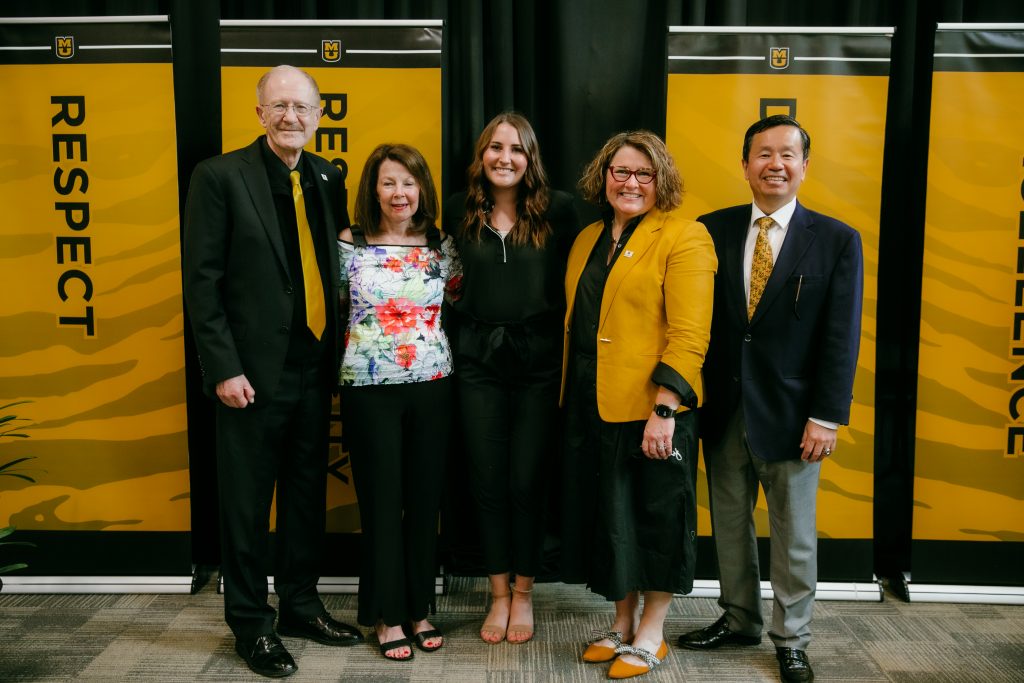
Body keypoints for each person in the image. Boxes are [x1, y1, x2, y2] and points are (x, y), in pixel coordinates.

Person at [182, 65, 363, 679]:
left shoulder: (325, 175)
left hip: (314, 366)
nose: (291, 117)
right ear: (259, 113)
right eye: (279, 106)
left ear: (318, 116)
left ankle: (301, 605)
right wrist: (223, 369)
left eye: (302, 107)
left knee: (306, 496)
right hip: (250, 375)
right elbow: (201, 282)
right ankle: (251, 624)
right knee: (246, 504)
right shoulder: (219, 176)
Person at [677, 115, 864, 683]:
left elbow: (841, 337)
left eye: (787, 154)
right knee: (729, 525)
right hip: (725, 408)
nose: (774, 164)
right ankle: (737, 619)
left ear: (805, 166)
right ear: (745, 165)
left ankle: (792, 638)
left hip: (794, 417)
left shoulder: (835, 240)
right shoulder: (712, 229)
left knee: (794, 536)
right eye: (763, 154)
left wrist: (827, 416)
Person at [561, 130, 717, 679]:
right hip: (590, 401)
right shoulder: (586, 239)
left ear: (661, 181)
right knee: (611, 519)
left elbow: (692, 333)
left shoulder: (685, 236)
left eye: (643, 174)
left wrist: (666, 407)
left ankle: (653, 633)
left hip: (654, 408)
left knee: (655, 519)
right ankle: (622, 623)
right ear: (603, 177)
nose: (630, 182)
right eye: (620, 172)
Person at [442, 112, 579, 645]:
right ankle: (496, 595)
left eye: (516, 149)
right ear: (481, 156)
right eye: (495, 148)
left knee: (527, 482)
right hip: (476, 361)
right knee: (487, 480)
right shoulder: (459, 209)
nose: (505, 157)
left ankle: (524, 594)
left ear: (531, 158)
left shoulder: (561, 211)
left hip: (539, 364)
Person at [337, 143, 461, 661]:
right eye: (388, 182)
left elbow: (459, 297)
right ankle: (386, 616)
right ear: (374, 189)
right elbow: (334, 307)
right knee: (383, 502)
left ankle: (419, 608)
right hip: (369, 389)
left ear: (422, 190)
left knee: (424, 500)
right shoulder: (351, 242)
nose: (399, 193)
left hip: (433, 383)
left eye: (408, 183)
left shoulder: (440, 243)